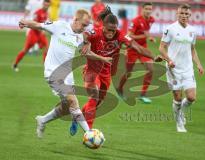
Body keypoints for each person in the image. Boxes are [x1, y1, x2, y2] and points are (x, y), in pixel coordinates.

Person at [18, 8, 112, 138]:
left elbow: (87, 52)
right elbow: (39, 25)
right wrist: (25, 22)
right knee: (73, 102)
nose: (84, 28)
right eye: (83, 24)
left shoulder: (79, 37)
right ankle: (89, 133)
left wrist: (103, 58)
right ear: (75, 19)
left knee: (66, 107)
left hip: (67, 75)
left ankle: (42, 120)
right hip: (53, 72)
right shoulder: (59, 26)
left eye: (86, 25)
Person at [70, 6, 162, 135]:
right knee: (94, 98)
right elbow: (84, 34)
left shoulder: (120, 36)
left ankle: (77, 117)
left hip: (106, 73)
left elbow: (138, 48)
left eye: (113, 30)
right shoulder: (95, 33)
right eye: (108, 30)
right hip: (91, 71)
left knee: (97, 102)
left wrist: (153, 56)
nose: (111, 33)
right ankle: (89, 132)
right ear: (103, 26)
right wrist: (86, 42)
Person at [159, 4, 204, 132]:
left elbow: (192, 49)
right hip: (173, 69)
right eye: (181, 14)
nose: (184, 16)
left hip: (188, 68)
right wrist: (169, 60)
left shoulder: (193, 31)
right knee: (177, 98)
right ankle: (179, 123)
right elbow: (161, 48)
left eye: (186, 14)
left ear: (190, 15)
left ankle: (181, 113)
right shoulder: (170, 29)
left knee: (191, 98)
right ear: (177, 14)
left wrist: (198, 64)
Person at [117, 2, 156, 104]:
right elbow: (129, 36)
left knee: (150, 69)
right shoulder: (135, 21)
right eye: (146, 9)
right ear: (142, 9)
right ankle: (120, 89)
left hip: (143, 48)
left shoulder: (152, 20)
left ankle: (143, 95)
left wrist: (149, 37)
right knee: (128, 73)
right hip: (132, 49)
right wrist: (145, 37)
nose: (148, 11)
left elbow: (145, 33)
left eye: (150, 9)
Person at [13, 0, 50, 72]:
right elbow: (34, 24)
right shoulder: (37, 13)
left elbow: (45, 23)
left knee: (46, 48)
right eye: (45, 5)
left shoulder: (46, 13)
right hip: (33, 33)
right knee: (25, 50)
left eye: (47, 5)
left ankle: (46, 67)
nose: (46, 7)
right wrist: (43, 30)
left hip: (40, 33)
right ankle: (15, 64)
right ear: (43, 4)